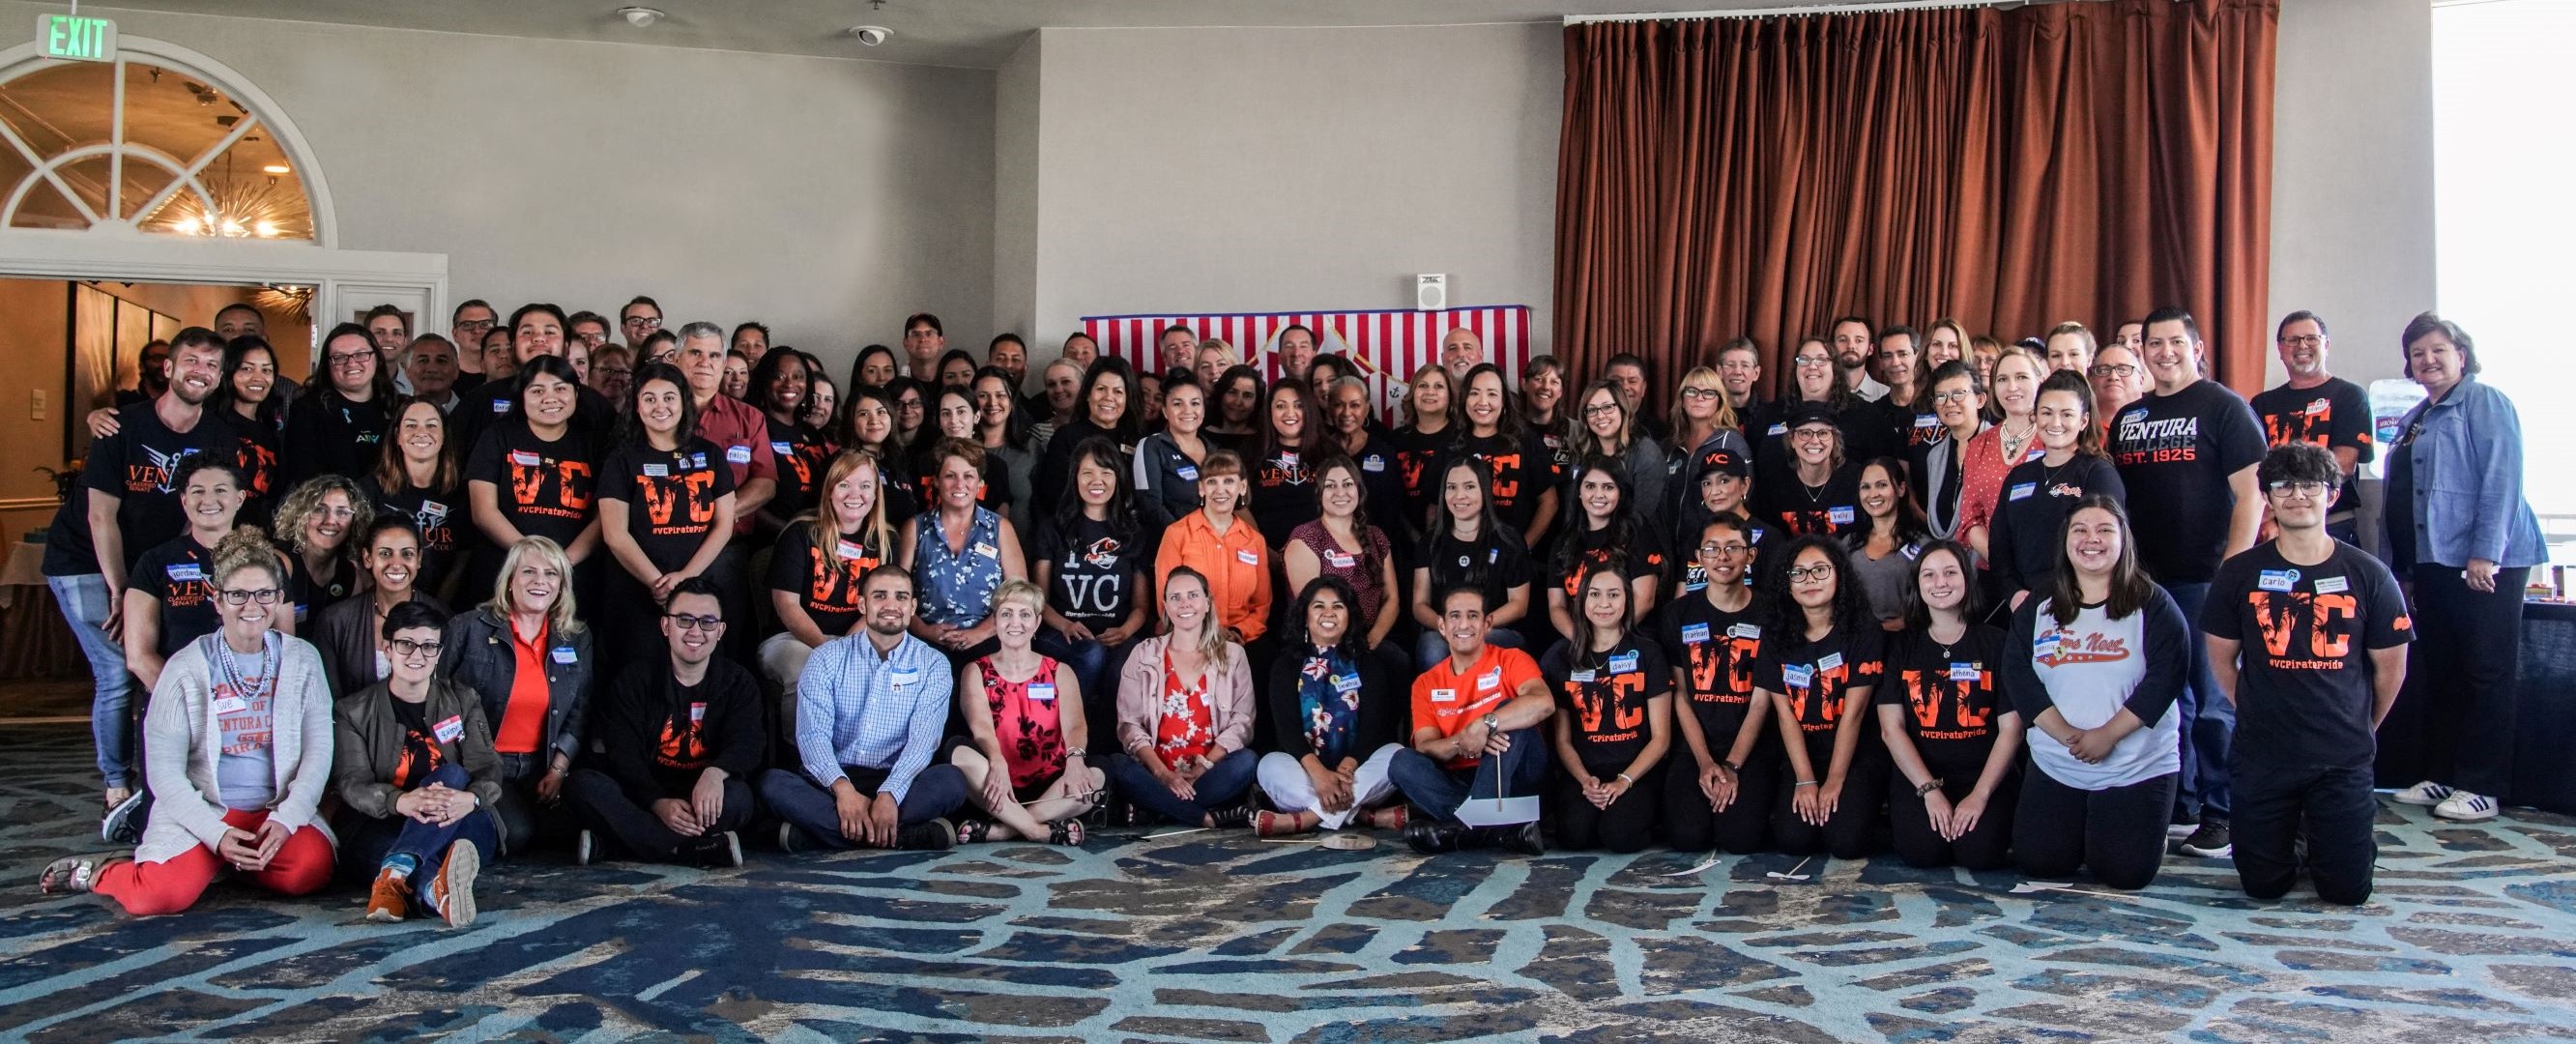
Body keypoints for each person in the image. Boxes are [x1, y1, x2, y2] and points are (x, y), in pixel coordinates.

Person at [40, 529, 336, 916]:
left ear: (279, 598)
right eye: (238, 595)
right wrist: (216, 835)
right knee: (156, 898)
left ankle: (231, 863)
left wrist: (287, 820)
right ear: (217, 600)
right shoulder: (184, 667)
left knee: (308, 873)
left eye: (265, 593)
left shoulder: (303, 659)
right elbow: (163, 773)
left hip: (272, 812)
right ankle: (104, 874)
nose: (253, 605)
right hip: (204, 812)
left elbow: (319, 752)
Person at [2205, 443, 2413, 904]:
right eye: (2283, 486)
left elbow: (2391, 668)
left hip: (2340, 756)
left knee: (2347, 890)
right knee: (2264, 885)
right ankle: (2297, 836)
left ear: (2331, 495)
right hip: (2263, 753)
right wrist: (2252, 706)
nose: (2297, 495)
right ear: (2269, 498)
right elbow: (2221, 657)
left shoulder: (2369, 574)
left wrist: (2361, 725)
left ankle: (2337, 839)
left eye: (2310, 485)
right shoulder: (2239, 573)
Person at [44, 328, 238, 822]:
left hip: (150, 565)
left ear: (219, 378)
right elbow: (99, 516)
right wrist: (119, 591)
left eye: (211, 365)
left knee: (157, 656)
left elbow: (196, 510)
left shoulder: (215, 433)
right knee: (117, 672)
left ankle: (166, 772)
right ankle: (117, 786)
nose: (201, 370)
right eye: (191, 360)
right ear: (169, 369)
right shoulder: (121, 427)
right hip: (88, 561)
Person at [2108, 306, 2266, 858]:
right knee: (2163, 696)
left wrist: (2234, 572)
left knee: (2214, 698)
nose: (2165, 352)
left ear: (2196, 348)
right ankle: (2183, 802)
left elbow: (2252, 495)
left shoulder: (2225, 408)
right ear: (2142, 350)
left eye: (2176, 341)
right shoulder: (2129, 419)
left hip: (2205, 579)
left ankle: (2222, 813)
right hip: (2142, 585)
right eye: (2154, 343)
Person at [2382, 312, 2546, 825]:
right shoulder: (2418, 416)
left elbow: (2503, 480)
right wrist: (2403, 570)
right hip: (2432, 563)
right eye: (2417, 353)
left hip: (2482, 562)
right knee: (2444, 672)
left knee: (2486, 673)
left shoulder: (2485, 402)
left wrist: (2485, 553)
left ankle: (2482, 786)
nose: (2428, 360)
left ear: (2461, 354)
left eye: (2438, 350)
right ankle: (2442, 774)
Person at [2003, 497, 2187, 890]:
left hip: (2135, 765)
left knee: (2124, 874)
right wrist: (2065, 735)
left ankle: (2146, 832)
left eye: (2105, 529)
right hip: (2058, 760)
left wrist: (2107, 736)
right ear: (2065, 541)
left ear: (2124, 540)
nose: (2092, 539)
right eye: (2080, 530)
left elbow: (2166, 678)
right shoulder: (2040, 603)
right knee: (2041, 862)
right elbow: (2017, 673)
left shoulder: (2153, 603)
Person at [763, 565, 970, 851]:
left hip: (898, 778)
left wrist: (890, 794)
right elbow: (812, 736)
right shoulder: (826, 658)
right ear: (862, 603)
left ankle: (819, 837)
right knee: (774, 785)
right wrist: (843, 790)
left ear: (912, 607)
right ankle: (902, 836)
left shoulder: (933, 664)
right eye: (880, 596)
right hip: (833, 780)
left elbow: (923, 743)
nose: (890, 605)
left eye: (900, 597)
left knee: (952, 781)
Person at [564, 578, 760, 867]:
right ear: (666, 626)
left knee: (740, 798)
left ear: (720, 631)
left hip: (703, 797)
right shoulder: (634, 680)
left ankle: (619, 845)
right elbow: (623, 753)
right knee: (582, 785)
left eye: (707, 622)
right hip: (642, 796)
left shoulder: (738, 682)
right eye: (684, 620)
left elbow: (748, 743)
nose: (695, 631)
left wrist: (717, 772)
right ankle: (691, 850)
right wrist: (656, 802)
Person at [331, 600, 497, 926]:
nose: (417, 655)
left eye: (429, 646)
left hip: (457, 816)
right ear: (387, 648)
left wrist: (472, 798)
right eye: (406, 644)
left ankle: (394, 874)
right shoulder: (353, 710)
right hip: (378, 822)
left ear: (439, 652)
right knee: (405, 850)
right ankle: (439, 892)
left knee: (452, 774)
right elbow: (352, 782)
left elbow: (487, 766)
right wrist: (400, 801)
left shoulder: (464, 700)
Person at [437, 536, 594, 855]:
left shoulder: (575, 637)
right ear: (509, 581)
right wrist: (463, 764)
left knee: (574, 820)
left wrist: (558, 770)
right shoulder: (468, 628)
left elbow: (579, 711)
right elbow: (435, 699)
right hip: (484, 765)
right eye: (529, 572)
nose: (540, 582)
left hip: (542, 766)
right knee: (519, 832)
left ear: (562, 585)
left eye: (551, 574)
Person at [1877, 541, 2021, 870]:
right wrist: (1929, 791)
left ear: (1967, 579)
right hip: (1921, 778)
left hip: (1984, 776)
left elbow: (2011, 730)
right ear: (1917, 585)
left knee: (1979, 856)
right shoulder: (1902, 647)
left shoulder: (1996, 642)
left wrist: (1980, 795)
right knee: (1923, 854)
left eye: (1950, 572)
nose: (1940, 582)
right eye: (1929, 575)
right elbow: (1891, 729)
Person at [1390, 585, 1554, 856]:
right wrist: (1463, 739)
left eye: (1473, 615)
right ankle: (1500, 830)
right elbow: (1426, 745)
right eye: (1455, 616)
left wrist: (1485, 724)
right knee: (1401, 762)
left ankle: (1464, 827)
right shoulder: (1425, 683)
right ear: (1441, 625)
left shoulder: (1512, 659)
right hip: (1461, 777)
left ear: (1487, 623)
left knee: (1511, 713)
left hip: (1514, 775)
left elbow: (1543, 703)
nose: (1463, 624)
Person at [596, 362, 738, 663]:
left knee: (700, 675)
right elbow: (615, 534)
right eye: (649, 399)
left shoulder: (710, 453)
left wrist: (686, 579)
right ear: (636, 406)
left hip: (700, 588)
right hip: (636, 591)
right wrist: (658, 584)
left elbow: (724, 524)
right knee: (637, 677)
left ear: (683, 402)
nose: (660, 406)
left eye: (669, 397)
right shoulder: (621, 459)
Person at [1756, 536, 1888, 859]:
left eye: (1819, 570)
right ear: (1787, 584)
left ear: (1838, 574)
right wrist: (1804, 779)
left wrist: (1834, 780)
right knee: (1793, 840)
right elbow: (1784, 715)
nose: (1809, 580)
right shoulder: (1775, 633)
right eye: (1798, 573)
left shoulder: (1863, 630)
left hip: (1854, 753)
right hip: (1804, 752)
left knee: (1845, 842)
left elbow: (1854, 716)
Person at [1659, 512, 1779, 854]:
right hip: (1695, 747)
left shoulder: (1770, 613)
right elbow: (1680, 695)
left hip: (1751, 749)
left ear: (1750, 555)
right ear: (1698, 556)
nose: (1722, 558)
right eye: (1712, 549)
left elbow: (1761, 700)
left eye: (1733, 548)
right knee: (1688, 838)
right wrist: (1705, 761)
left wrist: (1732, 765)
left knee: (1739, 840)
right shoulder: (1677, 614)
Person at [950, 581, 1104, 845]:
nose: (1015, 622)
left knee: (1097, 777)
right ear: (995, 621)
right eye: (1006, 613)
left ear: (1037, 622)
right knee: (958, 753)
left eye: (1024, 614)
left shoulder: (1060, 671)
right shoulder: (975, 670)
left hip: (1051, 785)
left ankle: (1003, 830)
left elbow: (1075, 726)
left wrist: (1076, 762)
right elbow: (981, 727)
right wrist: (997, 762)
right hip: (997, 782)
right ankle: (1038, 831)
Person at [1107, 566, 1259, 827]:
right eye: (1175, 597)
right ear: (1165, 606)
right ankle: (1203, 817)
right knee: (1118, 765)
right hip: (1155, 771)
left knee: (1247, 761)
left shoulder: (1233, 655)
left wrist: (1204, 768)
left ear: (1207, 602)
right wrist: (1164, 775)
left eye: (1193, 595)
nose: (1185, 604)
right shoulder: (1144, 654)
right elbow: (1129, 724)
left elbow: (1243, 722)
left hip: (1208, 772)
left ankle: (1158, 808)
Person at [123, 455, 271, 720]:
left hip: (253, 708)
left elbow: (283, 642)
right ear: (184, 500)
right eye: (197, 491)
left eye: (221, 490)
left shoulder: (265, 562)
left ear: (240, 498)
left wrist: (247, 702)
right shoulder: (155, 562)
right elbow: (139, 655)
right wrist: (195, 704)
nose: (208, 500)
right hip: (175, 703)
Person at [1256, 577, 1406, 837]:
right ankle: (1362, 815)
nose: (1328, 613)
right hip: (1306, 772)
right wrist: (1320, 776)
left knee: (1397, 754)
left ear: (1349, 617)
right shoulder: (1286, 665)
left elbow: (1373, 730)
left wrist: (1344, 770)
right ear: (1304, 616)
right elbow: (1286, 731)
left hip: (1355, 772)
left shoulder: (1368, 663)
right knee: (1268, 765)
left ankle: (1306, 818)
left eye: (1337, 606)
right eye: (1318, 606)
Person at [764, 450, 896, 739]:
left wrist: (846, 649)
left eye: (864, 486)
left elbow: (881, 606)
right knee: (806, 671)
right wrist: (825, 648)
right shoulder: (800, 532)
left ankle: (858, 758)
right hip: (794, 639)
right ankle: (800, 759)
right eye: (844, 484)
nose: (855, 494)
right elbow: (786, 603)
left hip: (859, 639)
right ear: (830, 490)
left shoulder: (886, 541)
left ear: (876, 493)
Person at [1029, 439, 1152, 749]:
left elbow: (1141, 606)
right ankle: (1063, 742)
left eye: (1106, 473)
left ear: (1118, 479)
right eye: (1087, 473)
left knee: (1126, 666)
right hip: (1061, 632)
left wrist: (1125, 631)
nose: (1097, 481)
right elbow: (1038, 600)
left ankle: (1108, 751)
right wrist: (1066, 626)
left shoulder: (1133, 533)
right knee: (1091, 654)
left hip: (1117, 633)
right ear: (1074, 478)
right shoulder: (1053, 528)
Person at [1544, 564, 1675, 854]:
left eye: (1614, 595)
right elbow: (1562, 740)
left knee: (1620, 837)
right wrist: (1584, 780)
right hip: (1585, 771)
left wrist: (1623, 781)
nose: (1604, 604)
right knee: (1573, 837)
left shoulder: (1648, 652)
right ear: (1581, 601)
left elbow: (1661, 739)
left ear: (1627, 600)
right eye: (1595, 594)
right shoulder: (1561, 658)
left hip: (1636, 770)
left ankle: (1651, 815)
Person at [463, 355, 600, 602]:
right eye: (537, 390)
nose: (550, 398)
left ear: (577, 394)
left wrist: (562, 563)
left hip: (572, 576)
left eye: (561, 389)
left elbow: (604, 518)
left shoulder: (593, 444)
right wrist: (532, 558)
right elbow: (483, 512)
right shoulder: (496, 437)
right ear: (522, 396)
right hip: (505, 572)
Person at [1989, 371, 2127, 610]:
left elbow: (2106, 546)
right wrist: (2013, 594)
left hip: (2080, 603)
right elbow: (1999, 547)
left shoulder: (2098, 473)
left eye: (2066, 414)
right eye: (2046, 413)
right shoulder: (2018, 476)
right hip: (2024, 605)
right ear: (2035, 416)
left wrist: (2072, 596)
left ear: (2083, 421)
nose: (2055, 423)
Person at [2248, 311, 2373, 543]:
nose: (2302, 345)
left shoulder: (2350, 396)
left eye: (2311, 338)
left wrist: (2281, 506)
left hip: (2331, 524)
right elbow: (2253, 468)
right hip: (2274, 528)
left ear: (2326, 344)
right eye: (2292, 340)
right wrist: (2267, 519)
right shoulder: (2262, 404)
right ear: (2280, 349)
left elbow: (2343, 465)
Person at [903, 440, 1028, 664]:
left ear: (980, 483)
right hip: (926, 641)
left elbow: (1019, 595)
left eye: (968, 476)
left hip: (989, 639)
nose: (959, 484)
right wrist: (925, 631)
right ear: (936, 482)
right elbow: (898, 594)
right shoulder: (916, 527)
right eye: (950, 476)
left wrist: (978, 634)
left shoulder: (1000, 528)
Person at [1410, 457, 1533, 669]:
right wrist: (1449, 628)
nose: (1459, 496)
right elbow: (1420, 604)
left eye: (1469, 487)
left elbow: (1519, 605)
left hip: (1495, 630)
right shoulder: (1429, 542)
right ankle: (1446, 703)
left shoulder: (1508, 540)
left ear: (1484, 491)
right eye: (1451, 488)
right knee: (1432, 648)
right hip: (1444, 632)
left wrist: (1475, 627)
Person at [1284, 455, 1404, 670]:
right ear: (1319, 494)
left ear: (1359, 490)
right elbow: (1312, 609)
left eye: (1347, 484)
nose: (1340, 492)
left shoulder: (1376, 536)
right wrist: (1351, 646)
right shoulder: (1306, 538)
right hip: (1325, 642)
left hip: (1371, 641)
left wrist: (1372, 639)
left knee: (1397, 662)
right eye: (1331, 486)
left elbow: (1392, 598)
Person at [1154, 450, 1273, 652]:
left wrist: (1237, 631)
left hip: (1242, 639)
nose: (1220, 490)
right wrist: (1210, 631)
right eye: (1212, 482)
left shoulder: (1255, 541)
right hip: (1189, 638)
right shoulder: (1177, 534)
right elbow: (1166, 601)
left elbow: (1261, 606)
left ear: (1242, 487)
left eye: (1228, 481)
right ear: (1201, 488)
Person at [313, 517, 445, 698]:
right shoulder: (335, 621)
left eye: (407, 554)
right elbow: (328, 699)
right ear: (368, 558)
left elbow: (447, 696)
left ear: (419, 559)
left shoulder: (443, 618)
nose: (397, 564)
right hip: (351, 725)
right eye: (385, 553)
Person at [1549, 457, 1668, 638]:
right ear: (1579, 492)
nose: (1599, 494)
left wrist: (1607, 640)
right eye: (1590, 486)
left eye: (1608, 487)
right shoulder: (1564, 541)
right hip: (1581, 638)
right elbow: (1556, 606)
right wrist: (1580, 639)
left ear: (1620, 493)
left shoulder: (1638, 531)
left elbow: (1644, 600)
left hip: (1631, 634)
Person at [362, 399, 466, 600]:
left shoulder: (462, 492)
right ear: (397, 436)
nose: (421, 432)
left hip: (444, 607)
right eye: (411, 425)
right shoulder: (370, 488)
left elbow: (462, 562)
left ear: (444, 435)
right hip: (382, 602)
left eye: (431, 425)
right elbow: (360, 557)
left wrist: (437, 608)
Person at [1958, 345, 2047, 568]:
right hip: (1993, 571)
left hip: (2046, 569)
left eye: (2021, 377)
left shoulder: (2054, 438)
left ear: (2040, 380)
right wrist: (2003, 563)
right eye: (2002, 379)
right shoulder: (1979, 444)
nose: (2012, 387)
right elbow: (1970, 518)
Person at [1450, 363, 1558, 548]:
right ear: (1464, 399)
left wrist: (1522, 548)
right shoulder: (1451, 444)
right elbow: (1435, 508)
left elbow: (1549, 502)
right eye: (1474, 393)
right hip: (1460, 556)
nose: (1483, 402)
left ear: (1503, 401)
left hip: (1511, 558)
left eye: (1492, 394)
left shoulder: (1525, 440)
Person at [283, 323, 395, 486]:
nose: (351, 363)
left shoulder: (395, 407)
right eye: (339, 357)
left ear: (377, 359)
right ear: (327, 366)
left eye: (361, 354)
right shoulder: (307, 409)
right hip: (331, 507)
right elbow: (307, 477)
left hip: (389, 507)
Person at [1034, 358, 1142, 508]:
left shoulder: (1136, 440)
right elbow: (1052, 497)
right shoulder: (1066, 437)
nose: (1108, 397)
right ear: (1087, 394)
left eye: (1117, 391)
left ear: (1127, 398)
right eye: (1101, 389)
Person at [1567, 381, 1667, 536]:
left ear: (1622, 409)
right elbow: (1572, 509)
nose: (1600, 416)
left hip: (1635, 545)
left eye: (1607, 407)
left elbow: (1641, 516)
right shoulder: (1581, 453)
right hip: (1586, 544)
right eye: (1592, 410)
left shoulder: (1645, 452)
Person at [273, 476, 371, 629]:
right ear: (301, 514)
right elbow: (285, 646)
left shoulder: (350, 574)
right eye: (319, 509)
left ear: (355, 520)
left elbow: (347, 638)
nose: (330, 521)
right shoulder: (280, 562)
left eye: (342, 512)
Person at [1754, 403, 1865, 537]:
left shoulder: (1857, 479)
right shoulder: (1773, 485)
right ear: (1792, 440)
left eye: (1823, 433)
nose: (1814, 441)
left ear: (1834, 439)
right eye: (1805, 433)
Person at [1843, 458, 1928, 626]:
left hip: (1907, 641)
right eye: (1865, 487)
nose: (1873, 494)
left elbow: (1929, 609)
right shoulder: (1847, 544)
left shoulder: (1924, 546)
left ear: (1901, 489)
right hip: (1858, 644)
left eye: (1882, 485)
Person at [750, 347, 825, 534]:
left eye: (798, 376)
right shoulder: (754, 427)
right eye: (779, 376)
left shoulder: (811, 433)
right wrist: (789, 533)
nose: (789, 384)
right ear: (764, 381)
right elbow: (744, 497)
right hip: (770, 541)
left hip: (816, 539)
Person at [214, 334, 288, 522]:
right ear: (228, 372)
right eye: (247, 369)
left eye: (266, 370)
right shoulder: (213, 424)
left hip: (254, 537)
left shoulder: (271, 431)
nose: (258, 378)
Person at [1911, 362, 1986, 542]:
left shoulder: (1999, 446)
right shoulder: (1934, 456)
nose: (1949, 403)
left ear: (1980, 400)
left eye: (1958, 394)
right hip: (1945, 556)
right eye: (1941, 396)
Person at [1662, 367, 1746, 531]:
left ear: (1719, 401)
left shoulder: (1731, 443)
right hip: (1667, 547)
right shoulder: (1669, 446)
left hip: (1713, 545)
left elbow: (1745, 498)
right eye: (1692, 391)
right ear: (1682, 400)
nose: (1699, 398)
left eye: (1708, 392)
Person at [1323, 376, 1407, 531]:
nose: (1346, 412)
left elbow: (1393, 507)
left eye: (1355, 405)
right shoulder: (1319, 451)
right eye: (1338, 405)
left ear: (1366, 409)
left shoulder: (1384, 450)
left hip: (1377, 542)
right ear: (1329, 408)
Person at [1389, 363, 1464, 536]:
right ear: (1413, 393)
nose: (1430, 392)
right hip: (1404, 542)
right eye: (1423, 386)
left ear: (1450, 396)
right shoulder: (1395, 440)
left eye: (1438, 386)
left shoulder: (1463, 439)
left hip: (1455, 540)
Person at [1249, 378, 1324, 542]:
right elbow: (1238, 505)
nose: (1290, 413)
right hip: (1265, 556)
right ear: (1269, 411)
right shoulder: (1251, 451)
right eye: (1281, 406)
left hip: (1323, 556)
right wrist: (1262, 550)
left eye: (1298, 405)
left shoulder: (1330, 452)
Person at [971, 367, 1038, 536]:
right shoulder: (960, 450)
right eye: (983, 395)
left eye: (1000, 395)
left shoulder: (1031, 448)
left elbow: (1043, 507)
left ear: (1012, 401)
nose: (992, 403)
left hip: (1023, 550)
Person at [1204, 364, 1265, 459]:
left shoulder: (1264, 440)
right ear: (1221, 394)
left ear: (1257, 402)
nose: (1238, 402)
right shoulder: (1201, 436)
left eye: (1247, 395)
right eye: (1232, 392)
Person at [1831, 315, 1893, 401]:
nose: (1851, 346)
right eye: (1843, 340)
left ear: (1870, 349)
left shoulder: (1886, 396)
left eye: (1859, 340)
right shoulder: (1816, 392)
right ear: (1832, 347)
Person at [2087, 344, 2144, 433]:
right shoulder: (2078, 428)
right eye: (2103, 370)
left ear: (2141, 380)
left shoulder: (2159, 423)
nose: (2113, 376)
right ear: (2091, 380)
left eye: (2123, 369)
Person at [1030, 357, 1083, 449]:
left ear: (1083, 385)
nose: (1058, 390)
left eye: (1066, 382)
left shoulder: (1099, 426)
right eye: (1051, 384)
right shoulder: (1038, 432)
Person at [406, 334, 464, 415]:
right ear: (407, 371)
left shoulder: (472, 413)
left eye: (441, 361)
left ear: (456, 371)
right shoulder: (394, 413)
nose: (432, 369)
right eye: (423, 360)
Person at [901, 313, 948, 383]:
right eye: (916, 334)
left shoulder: (954, 381)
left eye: (929, 334)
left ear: (941, 342)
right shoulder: (895, 382)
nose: (923, 339)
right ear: (905, 343)